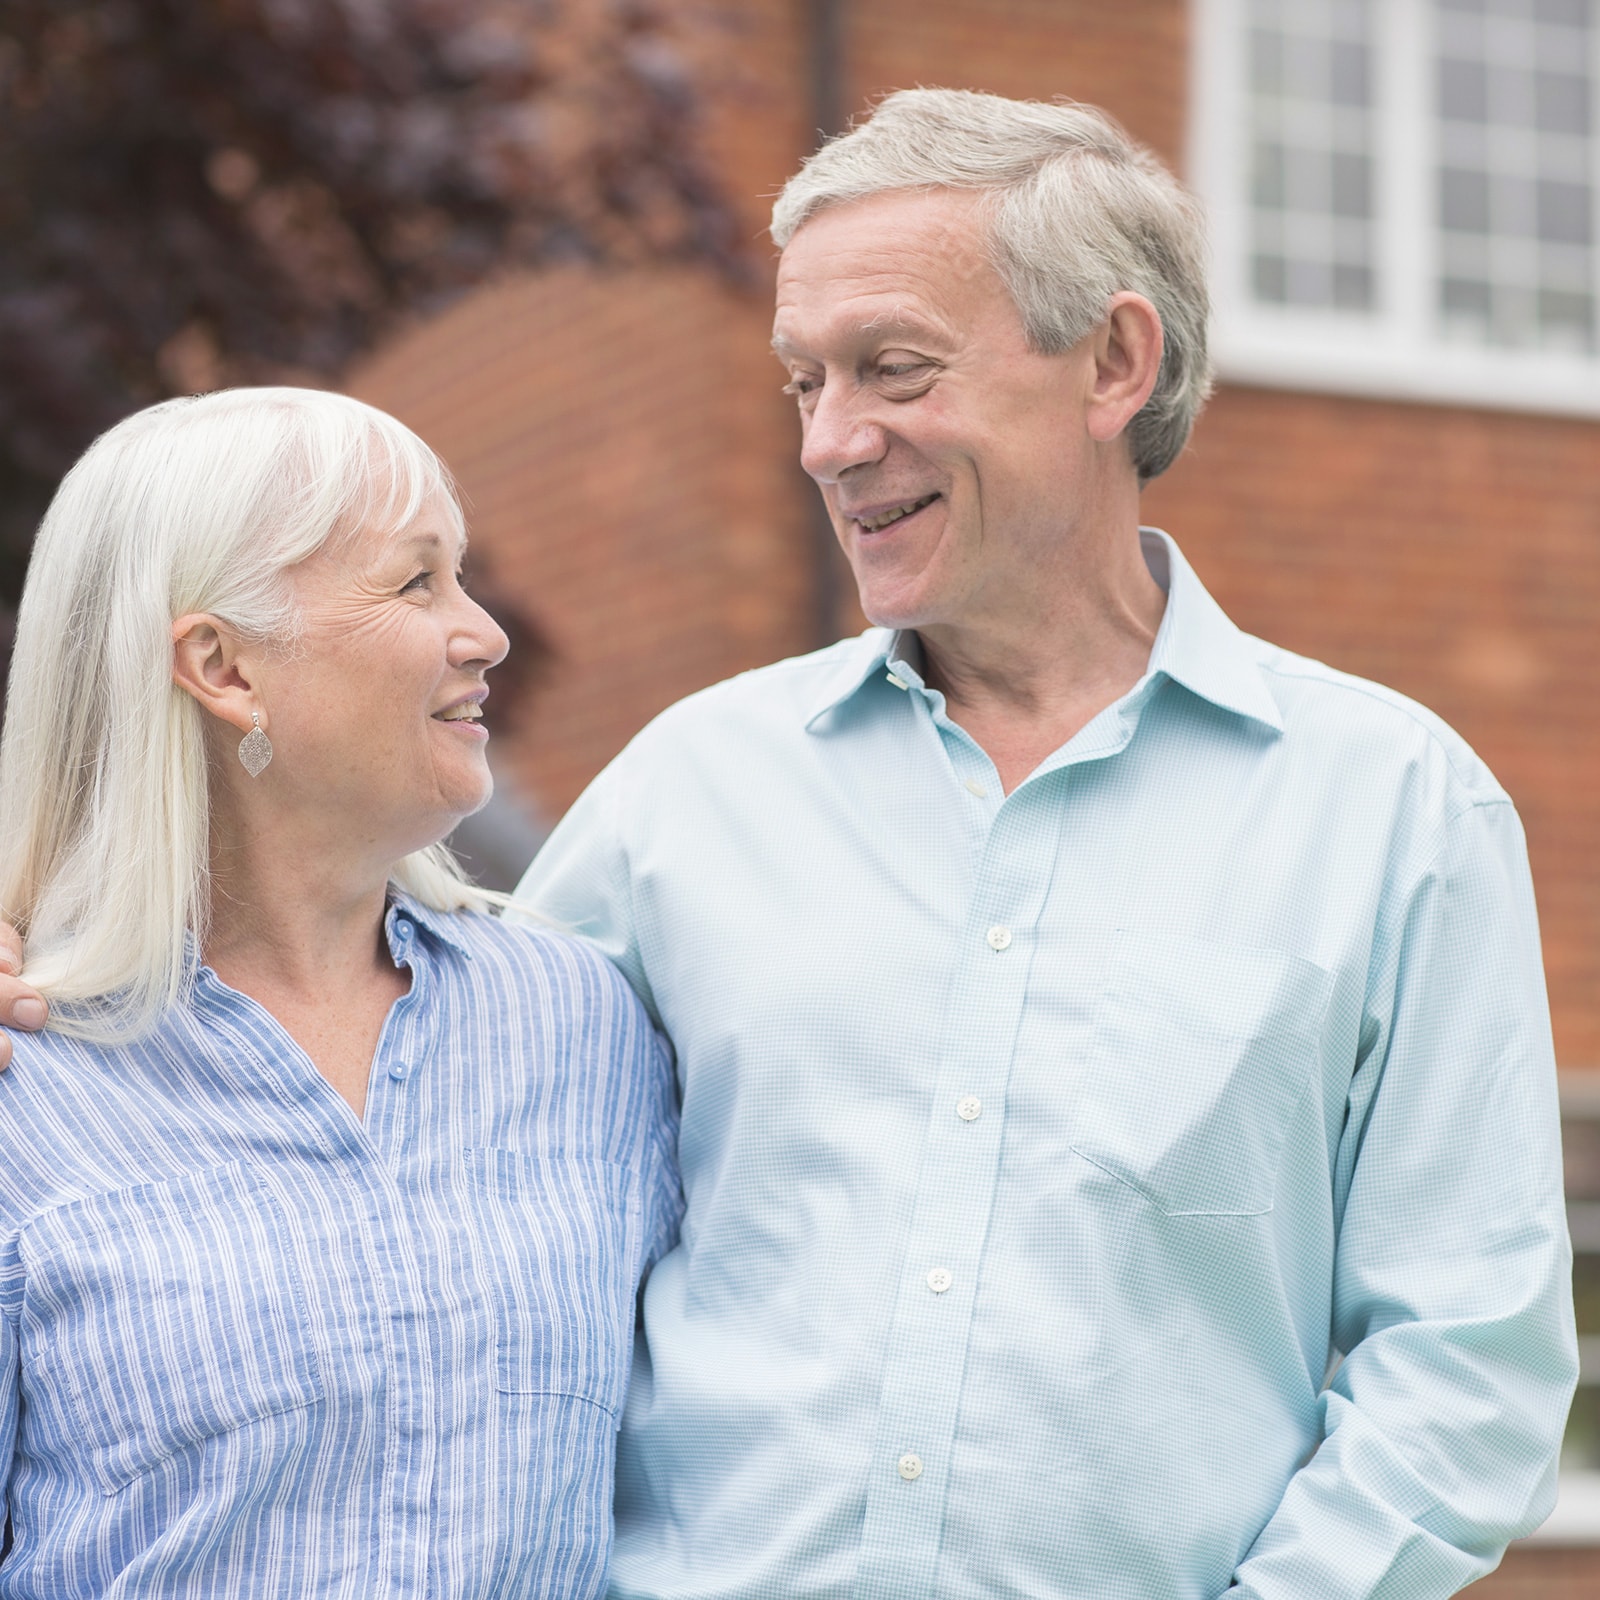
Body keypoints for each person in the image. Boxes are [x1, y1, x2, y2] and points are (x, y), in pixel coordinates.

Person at [0, 89, 1579, 1598]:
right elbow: (366, 1021)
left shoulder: (1396, 813)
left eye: (892, 369)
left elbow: (1466, 1365)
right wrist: (37, 930)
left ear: (1113, 362)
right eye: (803, 384)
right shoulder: (688, 793)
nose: (830, 442)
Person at [0, 389, 679, 1597]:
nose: (484, 634)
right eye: (416, 583)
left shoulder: (581, 1023)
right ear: (223, 666)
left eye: (461, 577)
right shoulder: (26, 1082)